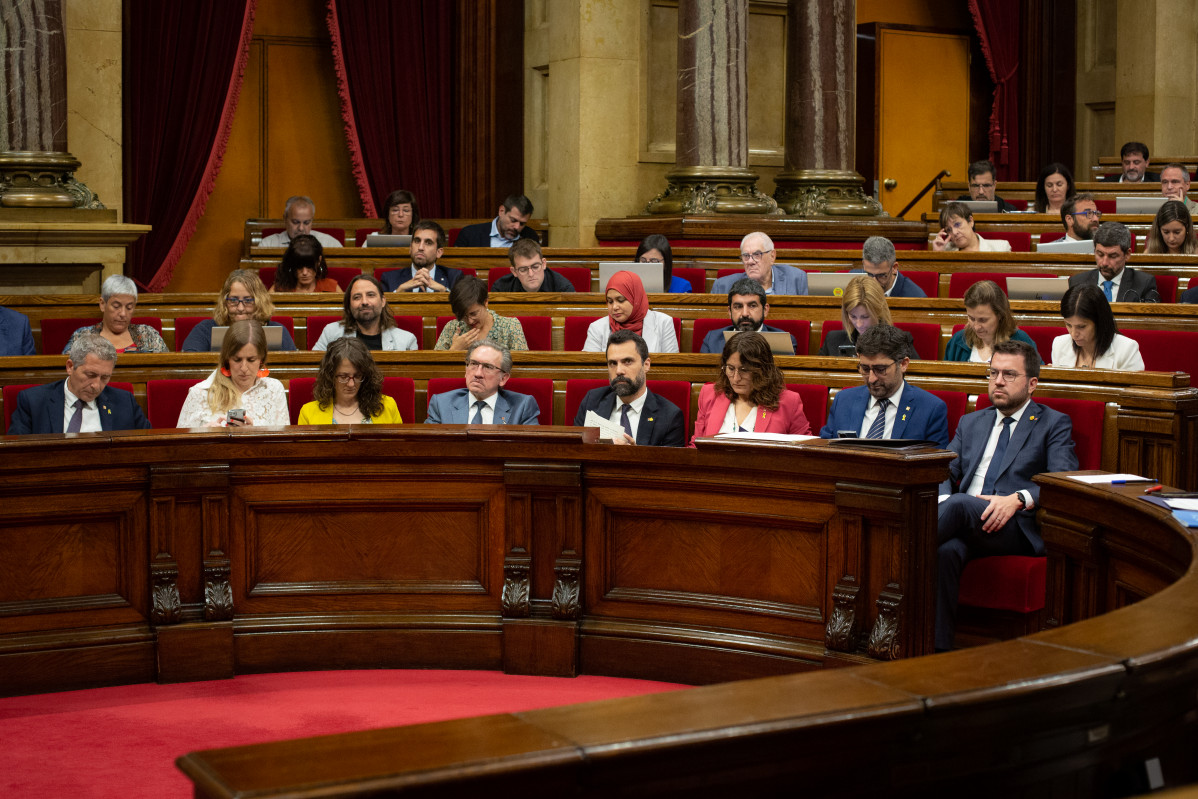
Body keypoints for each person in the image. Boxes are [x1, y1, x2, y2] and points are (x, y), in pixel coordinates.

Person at [935, 339, 1078, 651]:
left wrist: (1018, 499)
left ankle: (893, 549)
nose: (997, 381)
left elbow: (1063, 481)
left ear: (1031, 384)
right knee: (947, 551)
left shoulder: (1053, 423)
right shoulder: (971, 422)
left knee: (958, 504)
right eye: (993, 373)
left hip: (1013, 526)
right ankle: (937, 652)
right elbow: (942, 471)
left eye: (1009, 375)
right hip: (963, 521)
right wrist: (944, 498)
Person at [819, 324, 949, 448]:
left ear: (903, 364)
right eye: (865, 368)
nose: (871, 378)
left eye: (880, 369)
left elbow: (935, 467)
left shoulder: (931, 409)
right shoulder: (843, 400)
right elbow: (825, 450)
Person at [8, 333, 150, 434]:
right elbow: (17, 456)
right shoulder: (33, 402)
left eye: (105, 377)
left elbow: (149, 447)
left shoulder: (125, 402)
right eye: (91, 375)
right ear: (70, 367)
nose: (96, 385)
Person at [690, 332, 810, 445]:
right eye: (731, 369)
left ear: (762, 370)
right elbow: (696, 446)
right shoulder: (709, 394)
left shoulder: (789, 402)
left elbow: (805, 451)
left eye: (744, 370)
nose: (736, 378)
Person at [572, 329, 685, 446]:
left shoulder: (669, 417)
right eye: (613, 363)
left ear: (646, 365)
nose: (619, 371)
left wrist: (634, 456)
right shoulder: (592, 401)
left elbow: (669, 464)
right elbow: (575, 451)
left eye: (627, 361)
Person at [177, 320, 289, 428]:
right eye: (237, 360)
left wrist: (254, 434)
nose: (244, 368)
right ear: (227, 359)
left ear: (261, 359)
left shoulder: (274, 389)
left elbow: (284, 443)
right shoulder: (200, 393)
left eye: (251, 360)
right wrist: (205, 433)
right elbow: (179, 446)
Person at [180, 269, 297, 353]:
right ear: (225, 301)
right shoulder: (205, 329)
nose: (240, 308)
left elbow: (291, 366)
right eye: (233, 300)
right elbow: (190, 365)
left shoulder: (277, 330)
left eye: (248, 300)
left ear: (259, 301)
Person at [425, 341, 540, 424]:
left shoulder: (522, 406)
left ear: (503, 378)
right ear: (466, 370)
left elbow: (530, 451)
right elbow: (429, 448)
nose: (478, 374)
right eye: (474, 364)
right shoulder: (442, 404)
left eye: (488, 367)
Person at [297, 337, 402, 424]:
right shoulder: (308, 413)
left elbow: (399, 447)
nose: (351, 384)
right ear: (330, 376)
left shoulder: (388, 406)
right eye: (343, 377)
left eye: (357, 376)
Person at [62, 275, 168, 354]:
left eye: (129, 307)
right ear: (103, 304)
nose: (123, 313)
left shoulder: (148, 335)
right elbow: (67, 373)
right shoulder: (83, 337)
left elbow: (167, 371)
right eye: (116, 306)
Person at [817, 276, 918, 359]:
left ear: (878, 312)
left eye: (865, 317)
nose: (859, 324)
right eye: (853, 316)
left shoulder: (900, 342)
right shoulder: (832, 340)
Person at [312, 274, 418, 351]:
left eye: (370, 295)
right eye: (357, 297)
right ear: (349, 304)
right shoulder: (331, 333)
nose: (364, 302)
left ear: (383, 301)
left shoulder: (406, 341)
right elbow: (316, 372)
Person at [1051, 285, 1145, 371]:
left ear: (1099, 321)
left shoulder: (1127, 349)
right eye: (1069, 325)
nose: (1073, 334)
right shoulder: (1059, 344)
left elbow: (1134, 389)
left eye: (1081, 326)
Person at [944, 280, 1040, 363]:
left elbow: (1035, 379)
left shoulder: (1022, 342)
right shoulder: (958, 340)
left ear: (999, 315)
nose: (976, 327)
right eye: (971, 318)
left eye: (983, 320)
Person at [582, 271, 678, 353]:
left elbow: (671, 367)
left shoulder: (663, 322)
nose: (614, 307)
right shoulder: (597, 328)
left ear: (635, 298)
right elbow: (590, 370)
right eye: (610, 301)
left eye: (621, 300)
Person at [1067, 221, 1159, 303]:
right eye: (1100, 254)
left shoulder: (1144, 283)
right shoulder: (1077, 282)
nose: (1104, 263)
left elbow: (1149, 320)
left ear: (1127, 254)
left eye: (1112, 256)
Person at [699, 278, 797, 354]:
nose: (745, 313)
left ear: (765, 309)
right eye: (738, 307)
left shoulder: (784, 342)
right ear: (729, 311)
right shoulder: (712, 340)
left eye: (752, 306)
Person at [434, 276, 528, 352]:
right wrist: (454, 349)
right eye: (463, 315)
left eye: (473, 314)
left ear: (485, 302)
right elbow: (435, 370)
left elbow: (521, 369)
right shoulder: (452, 328)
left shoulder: (510, 326)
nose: (470, 321)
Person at [711, 232, 809, 295]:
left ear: (772, 256)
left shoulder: (797, 279)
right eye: (746, 256)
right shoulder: (723, 287)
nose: (750, 261)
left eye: (757, 254)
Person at [379, 221, 463, 293]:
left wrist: (444, 291)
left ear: (439, 252)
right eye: (417, 241)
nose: (420, 247)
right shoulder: (389, 278)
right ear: (410, 248)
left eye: (428, 242)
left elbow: (463, 308)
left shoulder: (454, 277)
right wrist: (398, 292)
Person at [489, 238, 576, 292]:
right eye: (523, 270)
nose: (531, 274)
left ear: (544, 264)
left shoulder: (563, 288)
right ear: (514, 271)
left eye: (535, 267)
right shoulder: (500, 289)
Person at [453, 194, 539, 247]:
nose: (517, 227)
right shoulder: (469, 234)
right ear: (501, 211)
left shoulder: (530, 237)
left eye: (522, 224)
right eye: (513, 220)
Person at [854, 236, 926, 297]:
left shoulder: (915, 297)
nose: (874, 282)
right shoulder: (853, 280)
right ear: (863, 264)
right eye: (869, 274)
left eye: (881, 275)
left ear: (894, 268)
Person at [259, 196, 342, 248]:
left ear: (312, 220)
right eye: (295, 222)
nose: (301, 228)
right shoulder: (267, 244)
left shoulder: (330, 244)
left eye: (306, 223)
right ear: (285, 219)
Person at [931, 202, 1012, 252]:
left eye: (957, 224)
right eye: (949, 229)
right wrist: (938, 254)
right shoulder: (945, 251)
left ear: (970, 221)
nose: (954, 232)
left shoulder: (1000, 248)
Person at [270, 235, 340, 293]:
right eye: (299, 266)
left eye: (309, 266)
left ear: (319, 261)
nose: (304, 272)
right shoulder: (278, 290)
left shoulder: (332, 288)